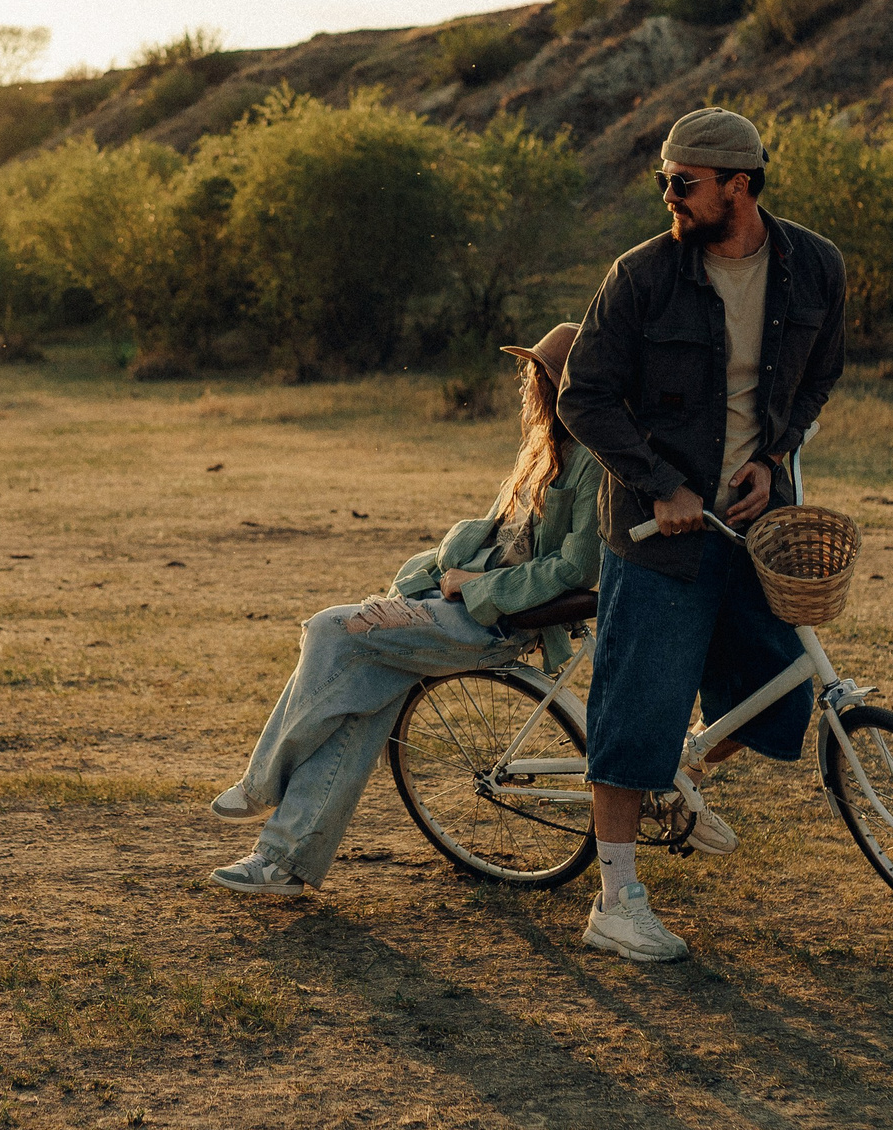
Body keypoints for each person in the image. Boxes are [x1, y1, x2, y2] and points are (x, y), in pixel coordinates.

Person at [557, 107, 847, 961]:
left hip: (757, 524)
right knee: (634, 709)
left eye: (683, 183)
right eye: (664, 180)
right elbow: (582, 395)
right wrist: (663, 483)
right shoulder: (642, 275)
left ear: (738, 185)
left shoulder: (815, 266)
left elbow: (821, 371)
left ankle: (675, 774)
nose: (668, 196)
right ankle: (615, 900)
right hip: (660, 530)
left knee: (778, 688)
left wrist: (774, 454)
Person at [205, 325, 604, 894]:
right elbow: (498, 533)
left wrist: (477, 585)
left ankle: (262, 782)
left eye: (535, 373)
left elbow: (576, 567)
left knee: (331, 629)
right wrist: (447, 571)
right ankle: (283, 864)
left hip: (495, 620)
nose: (525, 384)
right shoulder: (542, 448)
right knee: (363, 698)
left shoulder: (594, 462)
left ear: (560, 384)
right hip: (452, 599)